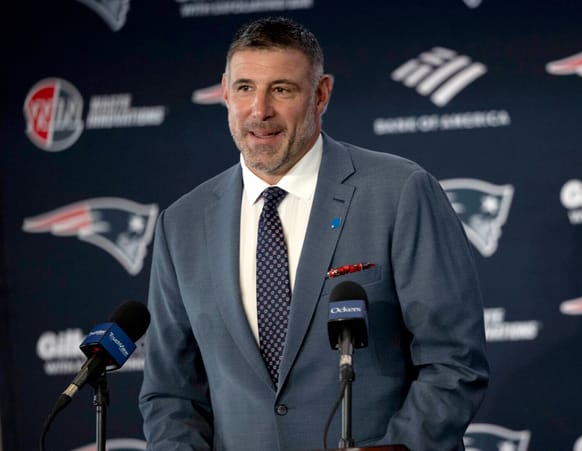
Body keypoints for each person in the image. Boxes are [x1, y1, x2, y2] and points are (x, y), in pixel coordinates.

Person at [139, 16, 489, 451]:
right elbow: (170, 393)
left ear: (321, 94)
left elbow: (453, 360)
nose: (259, 110)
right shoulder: (182, 223)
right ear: (225, 92)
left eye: (282, 90)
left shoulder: (399, 192)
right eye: (245, 88)